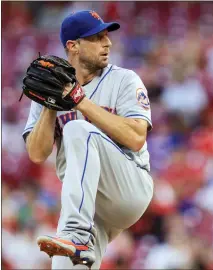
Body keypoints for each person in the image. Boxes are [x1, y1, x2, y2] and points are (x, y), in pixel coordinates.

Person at [22, 10, 154, 269]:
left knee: (76, 129)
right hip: (88, 205)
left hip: (128, 186)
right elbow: (37, 154)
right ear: (73, 46)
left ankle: (76, 234)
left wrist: (80, 101)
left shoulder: (124, 80)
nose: (108, 43)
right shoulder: (49, 86)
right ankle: (76, 236)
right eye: (97, 37)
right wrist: (51, 103)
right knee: (64, 265)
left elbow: (137, 138)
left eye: (107, 36)